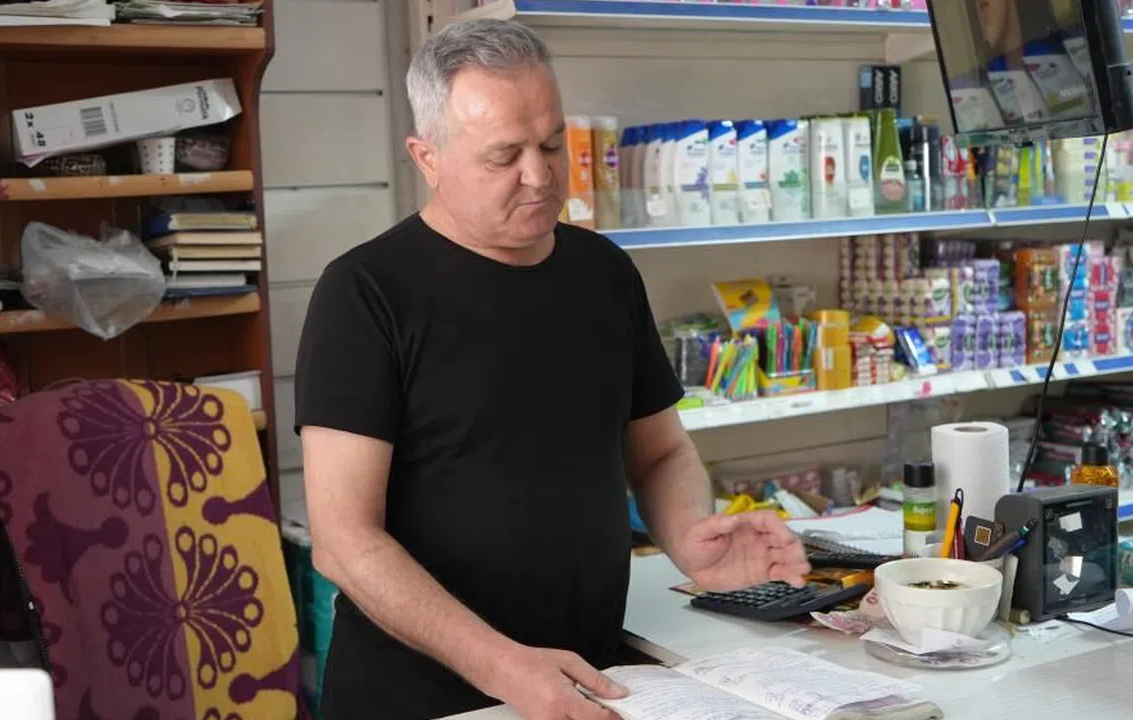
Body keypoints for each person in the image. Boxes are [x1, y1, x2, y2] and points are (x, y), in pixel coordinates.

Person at [294, 19, 810, 720]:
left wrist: (690, 536)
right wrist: (503, 666)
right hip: (424, 701)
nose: (538, 177)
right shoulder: (364, 295)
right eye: (503, 156)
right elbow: (344, 542)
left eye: (549, 144)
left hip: (585, 681)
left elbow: (659, 452)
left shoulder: (605, 273)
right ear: (427, 157)